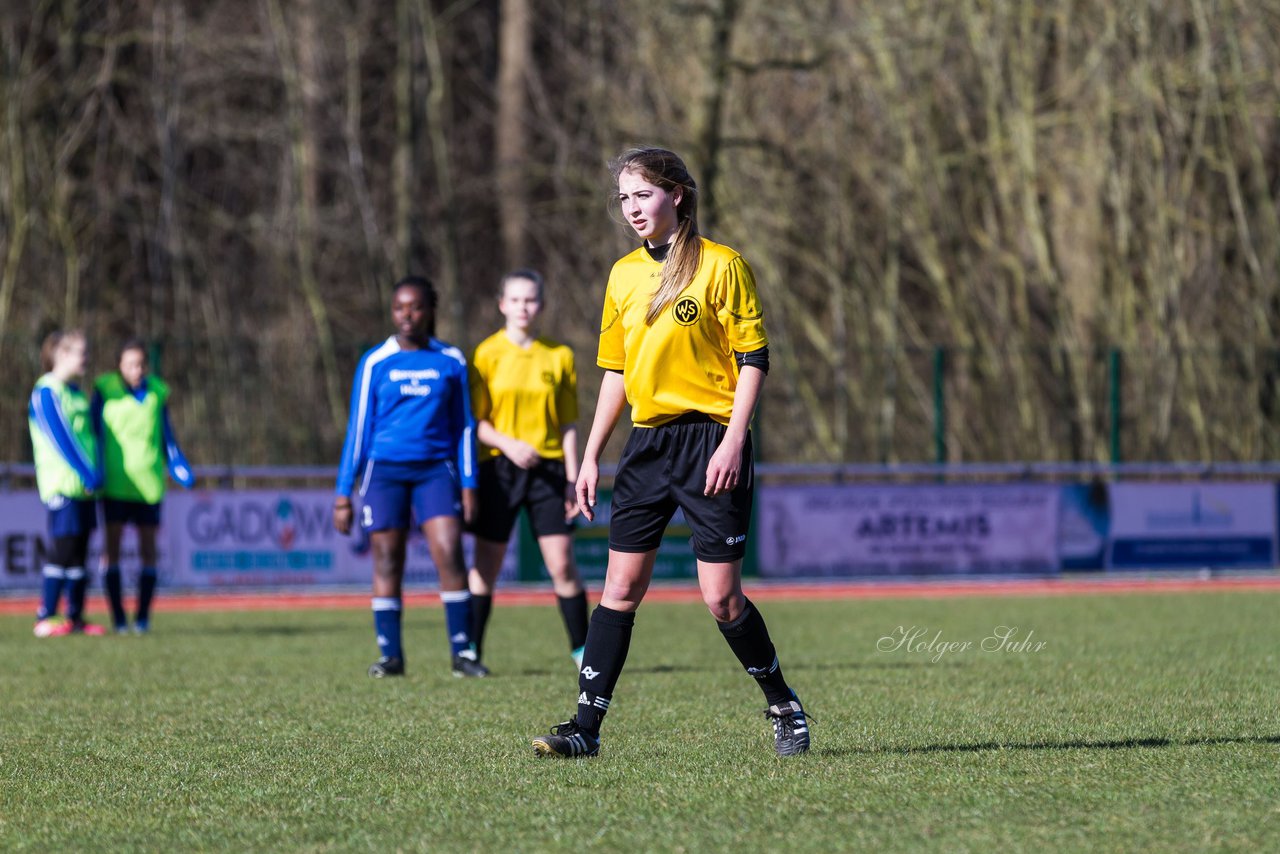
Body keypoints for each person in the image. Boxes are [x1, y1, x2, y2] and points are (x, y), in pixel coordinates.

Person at [531, 147, 810, 758]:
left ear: (677, 194)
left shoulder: (721, 265)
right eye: (624, 198)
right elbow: (614, 373)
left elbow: (753, 359)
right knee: (620, 588)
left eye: (643, 195)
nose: (632, 208)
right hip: (648, 446)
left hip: (712, 440)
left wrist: (735, 439)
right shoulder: (622, 274)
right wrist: (590, 458)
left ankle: (783, 705)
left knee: (721, 598)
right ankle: (585, 730)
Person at [333, 275, 488, 678]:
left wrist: (469, 484)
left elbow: (465, 428)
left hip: (436, 471)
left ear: (430, 310)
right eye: (400, 307)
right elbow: (358, 428)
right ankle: (391, 657)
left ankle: (462, 654)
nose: (407, 315)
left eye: (415, 307)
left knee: (449, 553)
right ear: (392, 311)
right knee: (387, 559)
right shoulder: (374, 362)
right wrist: (343, 492)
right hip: (383, 472)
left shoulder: (450, 360)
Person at [467, 269, 589, 669]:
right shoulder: (485, 354)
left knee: (563, 564)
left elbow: (569, 424)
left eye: (531, 299)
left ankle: (584, 652)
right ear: (502, 304)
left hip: (550, 473)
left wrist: (573, 479)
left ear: (542, 305)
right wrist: (509, 445)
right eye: (515, 299)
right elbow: (476, 423)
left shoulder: (560, 355)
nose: (523, 307)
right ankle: (470, 653)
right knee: (487, 566)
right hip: (499, 471)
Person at [92, 338, 195, 633]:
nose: (136, 370)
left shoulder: (156, 393)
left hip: (148, 485)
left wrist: (177, 463)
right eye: (130, 364)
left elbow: (167, 436)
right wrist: (95, 468)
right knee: (111, 550)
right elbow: (94, 433)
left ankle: (143, 618)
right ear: (119, 366)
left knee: (148, 550)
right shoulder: (105, 390)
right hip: (115, 483)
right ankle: (119, 620)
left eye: (140, 364)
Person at [28, 329, 105, 636]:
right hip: (62, 484)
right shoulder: (47, 391)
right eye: (80, 353)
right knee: (62, 550)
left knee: (79, 555)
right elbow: (61, 437)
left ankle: (75, 616)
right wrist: (86, 471)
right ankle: (45, 615)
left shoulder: (76, 393)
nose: (86, 358)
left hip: (83, 488)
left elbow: (89, 435)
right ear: (61, 354)